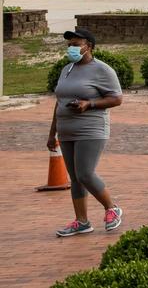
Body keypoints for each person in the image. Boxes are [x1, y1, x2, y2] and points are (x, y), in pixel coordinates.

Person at [48, 29, 124, 237]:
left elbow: (116, 99)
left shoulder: (102, 70)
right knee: (75, 178)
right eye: (69, 44)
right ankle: (81, 221)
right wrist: (52, 133)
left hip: (91, 129)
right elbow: (59, 102)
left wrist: (88, 104)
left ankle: (112, 208)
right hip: (66, 131)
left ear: (88, 46)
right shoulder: (67, 69)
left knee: (85, 173)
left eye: (75, 44)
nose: (71, 48)